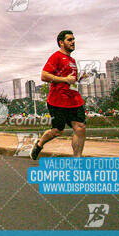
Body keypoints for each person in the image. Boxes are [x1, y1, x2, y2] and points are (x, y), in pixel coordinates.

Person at [31, 30, 86, 159]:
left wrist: (80, 78)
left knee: (80, 127)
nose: (73, 42)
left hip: (73, 99)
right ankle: (39, 144)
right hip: (58, 100)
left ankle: (77, 160)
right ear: (61, 43)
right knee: (57, 131)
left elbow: (71, 80)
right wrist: (65, 79)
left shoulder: (72, 60)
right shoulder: (56, 57)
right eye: (70, 40)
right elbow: (44, 75)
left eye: (73, 39)